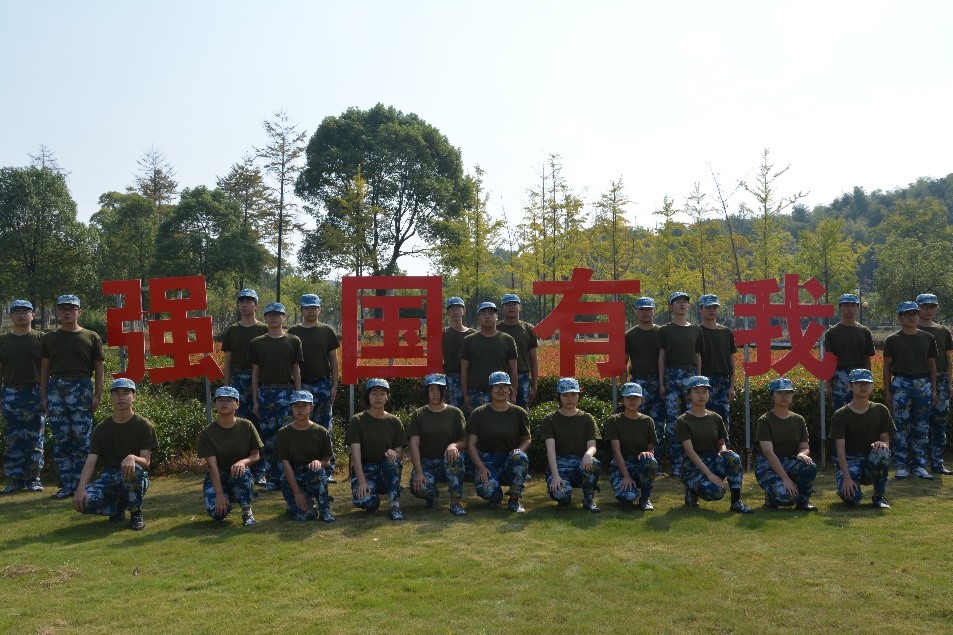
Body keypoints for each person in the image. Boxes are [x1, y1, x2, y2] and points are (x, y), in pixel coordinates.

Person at [40, 294, 105, 499]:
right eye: (63, 309)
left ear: (79, 312)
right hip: (57, 389)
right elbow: (45, 369)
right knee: (61, 439)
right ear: (57, 312)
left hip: (81, 387)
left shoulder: (91, 337)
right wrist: (44, 396)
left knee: (81, 439)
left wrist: (97, 395)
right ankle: (65, 484)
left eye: (72, 308)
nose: (68, 312)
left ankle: (81, 484)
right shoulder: (49, 338)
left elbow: (99, 368)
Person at [72, 379, 157, 531]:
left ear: (134, 397)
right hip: (109, 476)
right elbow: (90, 462)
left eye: (126, 393)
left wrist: (133, 457)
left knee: (135, 470)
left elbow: (146, 462)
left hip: (133, 474)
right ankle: (117, 507)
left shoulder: (144, 426)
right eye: (116, 394)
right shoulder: (101, 429)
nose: (121, 397)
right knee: (83, 502)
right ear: (111, 397)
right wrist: (81, 488)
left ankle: (135, 513)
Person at [677, 376, 752, 513]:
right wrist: (709, 474)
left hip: (712, 460)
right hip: (692, 467)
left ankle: (736, 502)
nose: (701, 395)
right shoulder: (683, 421)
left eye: (705, 392)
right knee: (717, 492)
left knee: (733, 458)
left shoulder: (716, 418)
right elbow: (689, 451)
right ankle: (692, 490)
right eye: (697, 392)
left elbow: (721, 443)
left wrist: (723, 450)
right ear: (689, 395)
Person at [249, 301, 303, 491]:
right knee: (269, 438)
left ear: (284, 317)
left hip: (287, 392)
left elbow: (296, 370)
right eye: (270, 314)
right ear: (264, 317)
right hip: (266, 393)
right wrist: (255, 399)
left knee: (288, 437)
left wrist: (298, 396)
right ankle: (272, 477)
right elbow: (255, 373)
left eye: (277, 314)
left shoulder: (293, 341)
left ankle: (289, 477)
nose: (274, 317)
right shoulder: (257, 343)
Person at [883, 301, 937, 480]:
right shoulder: (892, 340)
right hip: (901, 383)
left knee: (921, 426)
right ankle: (901, 465)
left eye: (914, 314)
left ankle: (919, 465)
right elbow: (887, 367)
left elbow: (932, 365)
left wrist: (934, 390)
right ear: (899, 317)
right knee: (900, 426)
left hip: (922, 383)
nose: (911, 317)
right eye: (907, 314)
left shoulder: (928, 338)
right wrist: (887, 391)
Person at [288, 293, 340, 478]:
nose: (310, 311)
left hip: (322, 384)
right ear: (301, 310)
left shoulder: (327, 331)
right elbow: (292, 363)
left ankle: (327, 468)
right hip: (301, 385)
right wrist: (297, 389)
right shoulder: (293, 332)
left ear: (319, 309)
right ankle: (302, 466)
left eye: (313, 308)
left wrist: (334, 385)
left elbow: (334, 360)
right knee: (301, 426)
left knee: (324, 427)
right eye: (307, 308)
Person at [221, 289, 268, 483]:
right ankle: (241, 468)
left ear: (256, 305)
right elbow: (228, 361)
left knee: (260, 424)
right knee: (239, 425)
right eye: (242, 302)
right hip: (238, 380)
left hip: (260, 380)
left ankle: (261, 470)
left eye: (249, 301)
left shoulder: (265, 328)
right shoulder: (232, 330)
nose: (245, 305)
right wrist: (226, 387)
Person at [466, 371, 531, 513]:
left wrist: (519, 450)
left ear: (510, 390)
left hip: (510, 459)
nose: (500, 390)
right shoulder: (478, 413)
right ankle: (496, 496)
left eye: (504, 386)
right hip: (487, 462)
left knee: (520, 457)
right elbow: (471, 445)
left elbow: (526, 439)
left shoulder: (519, 413)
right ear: (490, 390)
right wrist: (481, 467)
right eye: (496, 386)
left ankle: (514, 500)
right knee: (487, 490)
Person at [197, 386, 262, 526]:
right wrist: (219, 494)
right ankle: (228, 498)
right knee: (217, 514)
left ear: (237, 404)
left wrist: (243, 462)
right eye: (220, 400)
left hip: (239, 472)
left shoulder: (246, 426)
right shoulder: (207, 433)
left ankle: (247, 511)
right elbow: (212, 466)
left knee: (241, 472)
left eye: (228, 400)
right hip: (218, 474)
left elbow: (255, 455)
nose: (224, 403)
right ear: (215, 404)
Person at [830, 369, 895, 509]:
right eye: (858, 383)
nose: (863, 387)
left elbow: (885, 440)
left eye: (867, 383)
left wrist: (881, 444)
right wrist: (847, 478)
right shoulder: (840, 415)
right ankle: (846, 486)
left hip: (871, 459)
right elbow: (840, 451)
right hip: (850, 461)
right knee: (852, 498)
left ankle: (879, 496)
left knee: (883, 451)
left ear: (872, 386)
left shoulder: (881, 410)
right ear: (850, 386)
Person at [346, 378, 408, 520]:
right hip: (366, 471)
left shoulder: (394, 422)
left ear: (387, 396)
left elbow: (400, 454)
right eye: (374, 393)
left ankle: (395, 505)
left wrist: (394, 453)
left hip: (386, 470)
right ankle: (373, 498)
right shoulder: (357, 420)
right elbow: (355, 454)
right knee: (365, 501)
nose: (378, 397)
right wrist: (362, 481)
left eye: (382, 393)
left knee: (393, 463)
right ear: (368, 396)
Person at [407, 374, 468, 517]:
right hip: (426, 463)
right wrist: (419, 472)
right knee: (419, 488)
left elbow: (464, 441)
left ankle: (455, 502)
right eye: (431, 390)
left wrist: (454, 445)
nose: (435, 393)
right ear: (426, 392)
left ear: (444, 391)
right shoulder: (418, 415)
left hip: (447, 461)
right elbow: (414, 444)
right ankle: (432, 495)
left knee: (456, 457)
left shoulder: (455, 413)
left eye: (438, 389)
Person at [0, 300, 45, 493]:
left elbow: (47, 368)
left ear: (33, 315)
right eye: (17, 311)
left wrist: (45, 395)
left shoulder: (41, 339)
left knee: (35, 438)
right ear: (10, 316)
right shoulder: (3, 340)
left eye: (25, 311)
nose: (21, 315)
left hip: (34, 391)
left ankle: (34, 478)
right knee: (13, 438)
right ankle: (15, 479)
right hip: (10, 392)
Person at [658, 291, 704, 476]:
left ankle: (693, 464)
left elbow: (698, 356)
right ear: (671, 307)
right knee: (673, 423)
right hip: (672, 378)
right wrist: (662, 383)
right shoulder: (664, 331)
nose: (682, 304)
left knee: (693, 420)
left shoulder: (696, 330)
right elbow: (661, 358)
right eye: (677, 302)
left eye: (685, 301)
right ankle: (676, 465)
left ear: (689, 306)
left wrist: (699, 380)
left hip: (691, 377)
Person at [755, 378, 818, 511]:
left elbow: (804, 447)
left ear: (792, 395)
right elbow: (768, 452)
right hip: (769, 466)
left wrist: (801, 454)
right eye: (779, 393)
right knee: (786, 499)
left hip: (790, 461)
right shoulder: (765, 420)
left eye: (788, 393)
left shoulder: (798, 420)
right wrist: (785, 479)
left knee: (809, 466)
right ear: (772, 395)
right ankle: (771, 496)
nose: (784, 396)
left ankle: (803, 501)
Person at [541, 377, 602, 512]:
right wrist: (555, 476)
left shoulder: (587, 418)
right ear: (559, 397)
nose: (570, 398)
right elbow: (550, 449)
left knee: (594, 462)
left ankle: (589, 500)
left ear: (579, 396)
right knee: (561, 494)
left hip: (580, 463)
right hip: (559, 465)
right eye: (565, 395)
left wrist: (588, 454)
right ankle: (564, 498)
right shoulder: (550, 419)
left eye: (573, 394)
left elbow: (592, 445)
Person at [275, 390, 335, 522]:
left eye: (304, 406)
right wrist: (297, 493)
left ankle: (325, 509)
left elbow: (327, 462)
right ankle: (295, 506)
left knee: (318, 471)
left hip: (312, 473)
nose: (300, 409)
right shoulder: (283, 433)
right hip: (293, 476)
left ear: (311, 407)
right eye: (296, 406)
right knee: (307, 515)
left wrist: (319, 462)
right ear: (291, 408)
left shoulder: (321, 431)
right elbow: (285, 464)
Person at [620, 297, 665, 468]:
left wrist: (663, 383)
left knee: (658, 425)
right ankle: (636, 462)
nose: (645, 313)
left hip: (659, 382)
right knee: (637, 424)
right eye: (642, 309)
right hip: (638, 384)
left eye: (648, 309)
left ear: (654, 311)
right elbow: (623, 363)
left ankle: (655, 463)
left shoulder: (662, 333)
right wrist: (625, 386)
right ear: (635, 312)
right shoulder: (630, 335)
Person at [915, 293, 953, 475]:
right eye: (924, 307)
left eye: (932, 307)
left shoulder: (943, 331)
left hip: (941, 379)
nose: (928, 310)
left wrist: (950, 382)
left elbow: (948, 358)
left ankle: (937, 463)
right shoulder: (912, 329)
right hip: (920, 378)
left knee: (939, 423)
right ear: (918, 308)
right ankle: (919, 463)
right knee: (920, 424)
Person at [604, 382, 658, 510]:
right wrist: (626, 476)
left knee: (650, 461)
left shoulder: (647, 421)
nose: (632, 401)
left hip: (639, 463)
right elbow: (616, 451)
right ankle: (630, 491)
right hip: (620, 465)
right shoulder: (614, 421)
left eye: (636, 397)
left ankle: (645, 498)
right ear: (622, 400)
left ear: (641, 400)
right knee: (627, 497)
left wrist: (647, 454)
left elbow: (651, 448)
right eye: (628, 397)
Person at [460, 302, 518, 411]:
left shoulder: (507, 340)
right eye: (483, 313)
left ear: (497, 317)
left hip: (501, 392)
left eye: (491, 313)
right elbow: (464, 369)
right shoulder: (469, 340)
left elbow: (513, 369)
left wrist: (513, 393)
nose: (487, 316)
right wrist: (466, 394)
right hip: (476, 393)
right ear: (478, 318)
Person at [823, 294, 875, 412]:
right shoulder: (832, 333)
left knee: (861, 411)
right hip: (839, 376)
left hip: (860, 376)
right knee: (840, 412)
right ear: (840, 307)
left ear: (857, 308)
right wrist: (828, 384)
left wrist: (869, 380)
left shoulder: (864, 332)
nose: (849, 308)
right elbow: (829, 360)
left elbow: (867, 359)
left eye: (852, 305)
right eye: (846, 305)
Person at [698, 295, 737, 439]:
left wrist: (732, 385)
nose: (712, 310)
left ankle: (724, 448)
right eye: (708, 307)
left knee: (723, 419)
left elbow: (731, 360)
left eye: (714, 307)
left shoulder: (726, 332)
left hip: (723, 382)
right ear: (700, 309)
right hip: (704, 382)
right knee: (702, 419)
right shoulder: (696, 331)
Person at [497, 293, 539, 409]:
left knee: (522, 410)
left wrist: (534, 385)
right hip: (501, 376)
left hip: (523, 376)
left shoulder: (529, 329)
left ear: (520, 307)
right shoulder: (495, 328)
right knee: (500, 409)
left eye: (514, 304)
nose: (511, 307)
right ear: (502, 309)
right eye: (507, 305)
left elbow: (533, 359)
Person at [442, 296, 475, 409]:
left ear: (464, 311)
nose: (455, 312)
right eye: (452, 309)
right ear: (447, 313)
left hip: (471, 378)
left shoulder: (473, 334)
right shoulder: (444, 334)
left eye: (458, 309)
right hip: (451, 378)